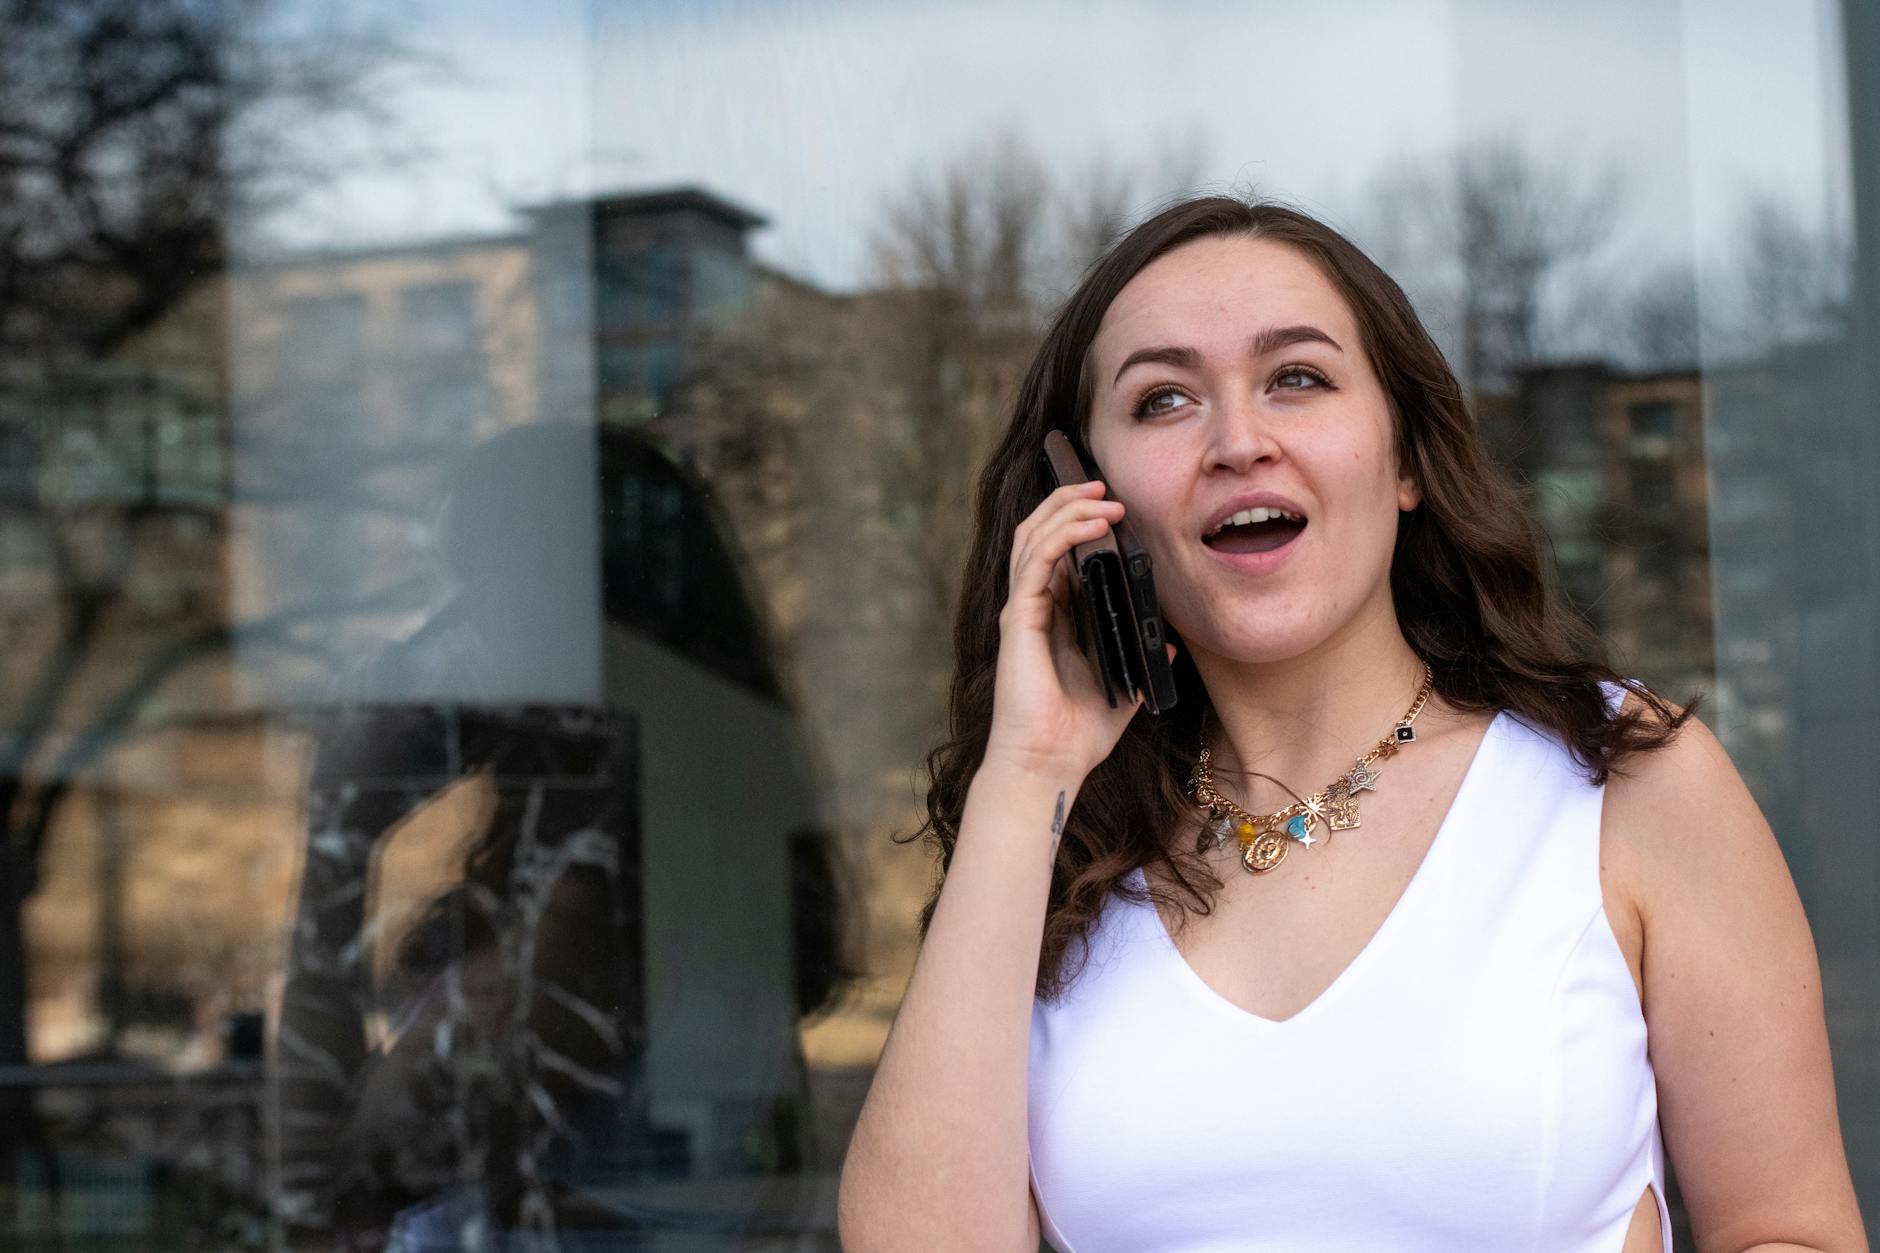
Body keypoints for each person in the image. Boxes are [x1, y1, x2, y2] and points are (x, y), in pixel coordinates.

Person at [837, 195, 1868, 1251]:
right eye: (1162, 400)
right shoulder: (1054, 847)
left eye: (1297, 377)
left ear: (1407, 458)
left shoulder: (1622, 775)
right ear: (1088, 500)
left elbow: (1790, 1230)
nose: (1238, 441)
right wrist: (1027, 772)